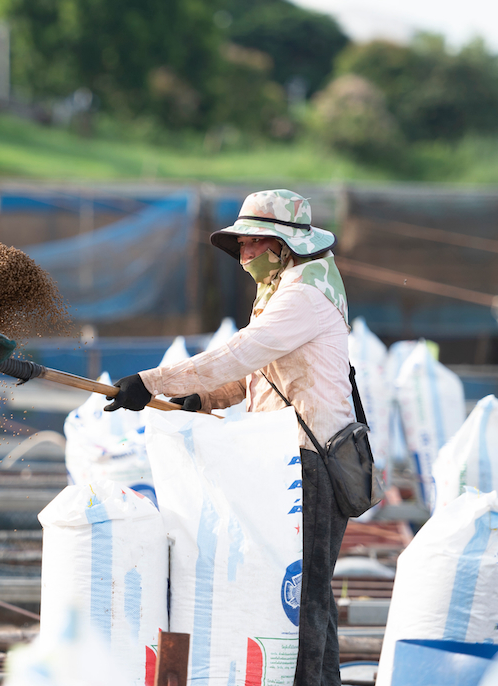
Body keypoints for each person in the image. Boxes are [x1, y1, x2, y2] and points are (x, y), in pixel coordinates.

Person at [104, 188, 354, 686]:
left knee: (302, 599)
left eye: (253, 243)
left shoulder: (304, 295)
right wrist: (200, 399)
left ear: (283, 247)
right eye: (240, 244)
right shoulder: (282, 290)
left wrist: (152, 382)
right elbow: (249, 378)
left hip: (313, 461)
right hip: (286, 458)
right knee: (308, 597)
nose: (243, 254)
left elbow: (242, 353)